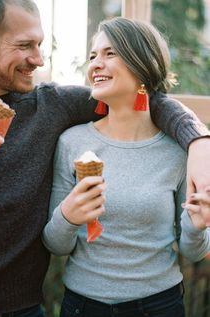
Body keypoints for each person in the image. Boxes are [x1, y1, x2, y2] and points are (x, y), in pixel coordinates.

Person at [0, 1, 209, 316]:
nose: (39, 58)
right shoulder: (72, 136)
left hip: (26, 308)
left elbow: (142, 98)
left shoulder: (53, 107)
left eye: (40, 44)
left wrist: (198, 139)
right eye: (24, 45)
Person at [43, 18, 210, 317]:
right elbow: (57, 246)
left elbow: (192, 251)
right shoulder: (71, 142)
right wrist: (68, 216)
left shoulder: (177, 153)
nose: (96, 64)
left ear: (142, 64)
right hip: (83, 306)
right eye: (93, 56)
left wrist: (197, 227)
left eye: (110, 53)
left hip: (159, 306)